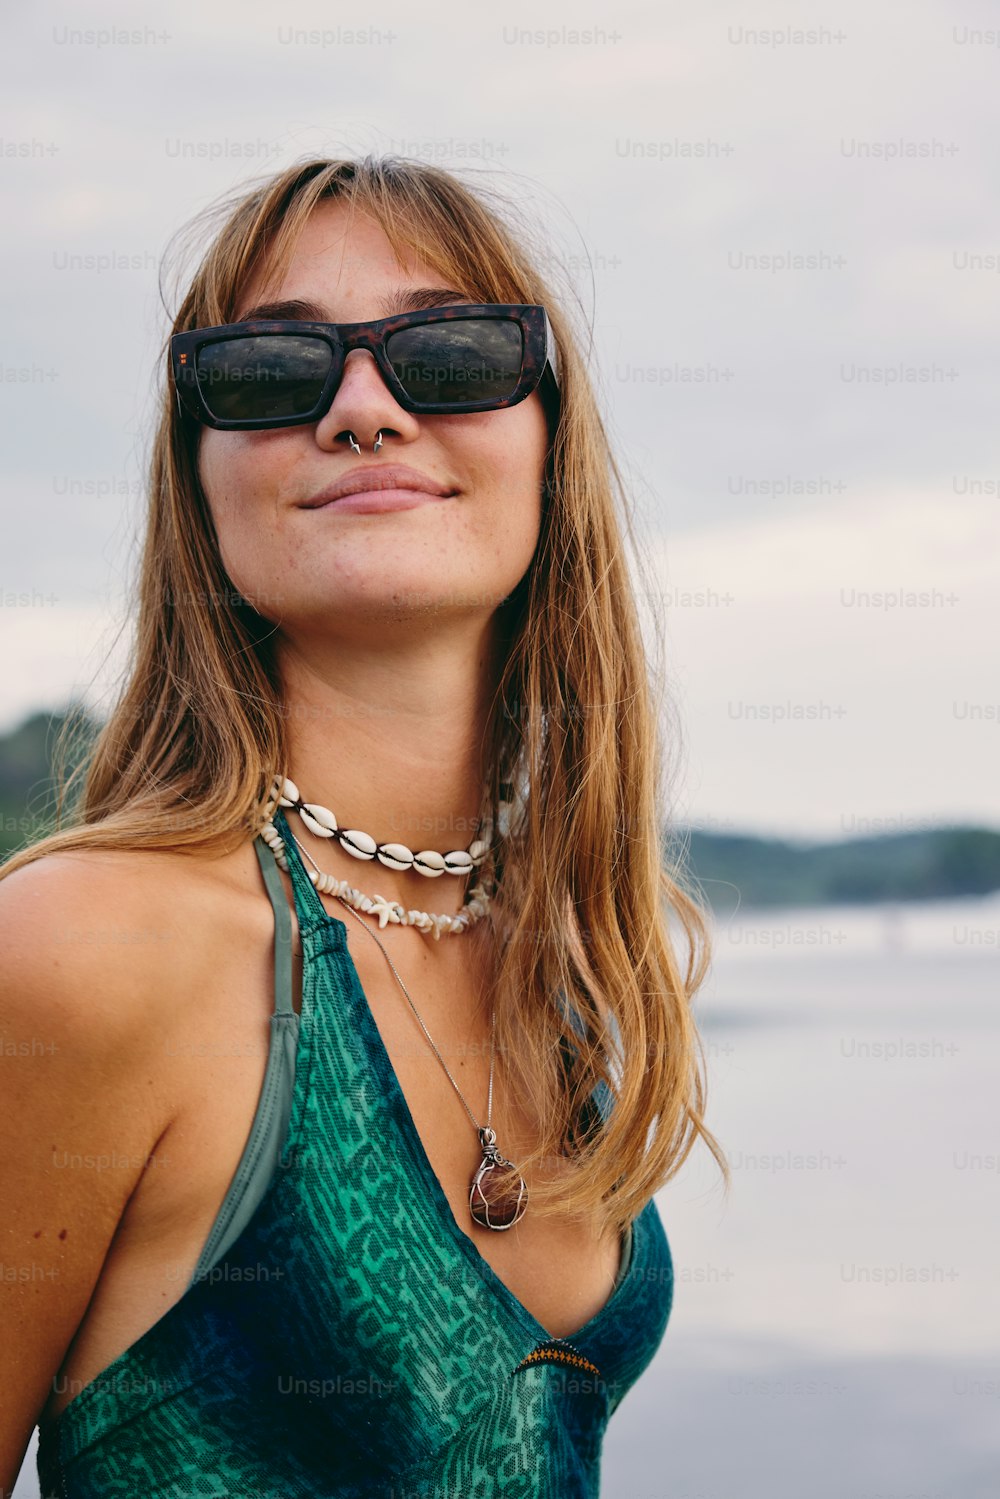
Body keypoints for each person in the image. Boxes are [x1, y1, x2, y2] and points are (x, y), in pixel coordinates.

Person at [0, 155, 728, 1498]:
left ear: (547, 440)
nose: (360, 408)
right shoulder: (82, 947)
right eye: (272, 369)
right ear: (197, 478)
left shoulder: (551, 957)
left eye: (448, 353)